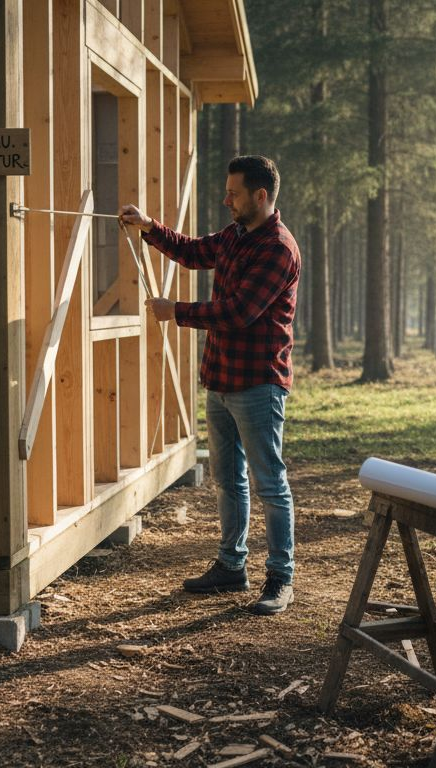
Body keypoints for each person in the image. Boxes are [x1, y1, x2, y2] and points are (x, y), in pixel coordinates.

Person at [119, 155, 301, 616]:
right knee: (227, 480)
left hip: (258, 385)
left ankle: (281, 578)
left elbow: (239, 312)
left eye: (234, 193)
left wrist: (175, 311)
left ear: (260, 196)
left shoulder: (278, 248)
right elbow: (194, 251)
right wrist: (149, 227)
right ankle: (231, 566)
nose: (227, 199)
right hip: (220, 380)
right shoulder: (235, 235)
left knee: (270, 485)